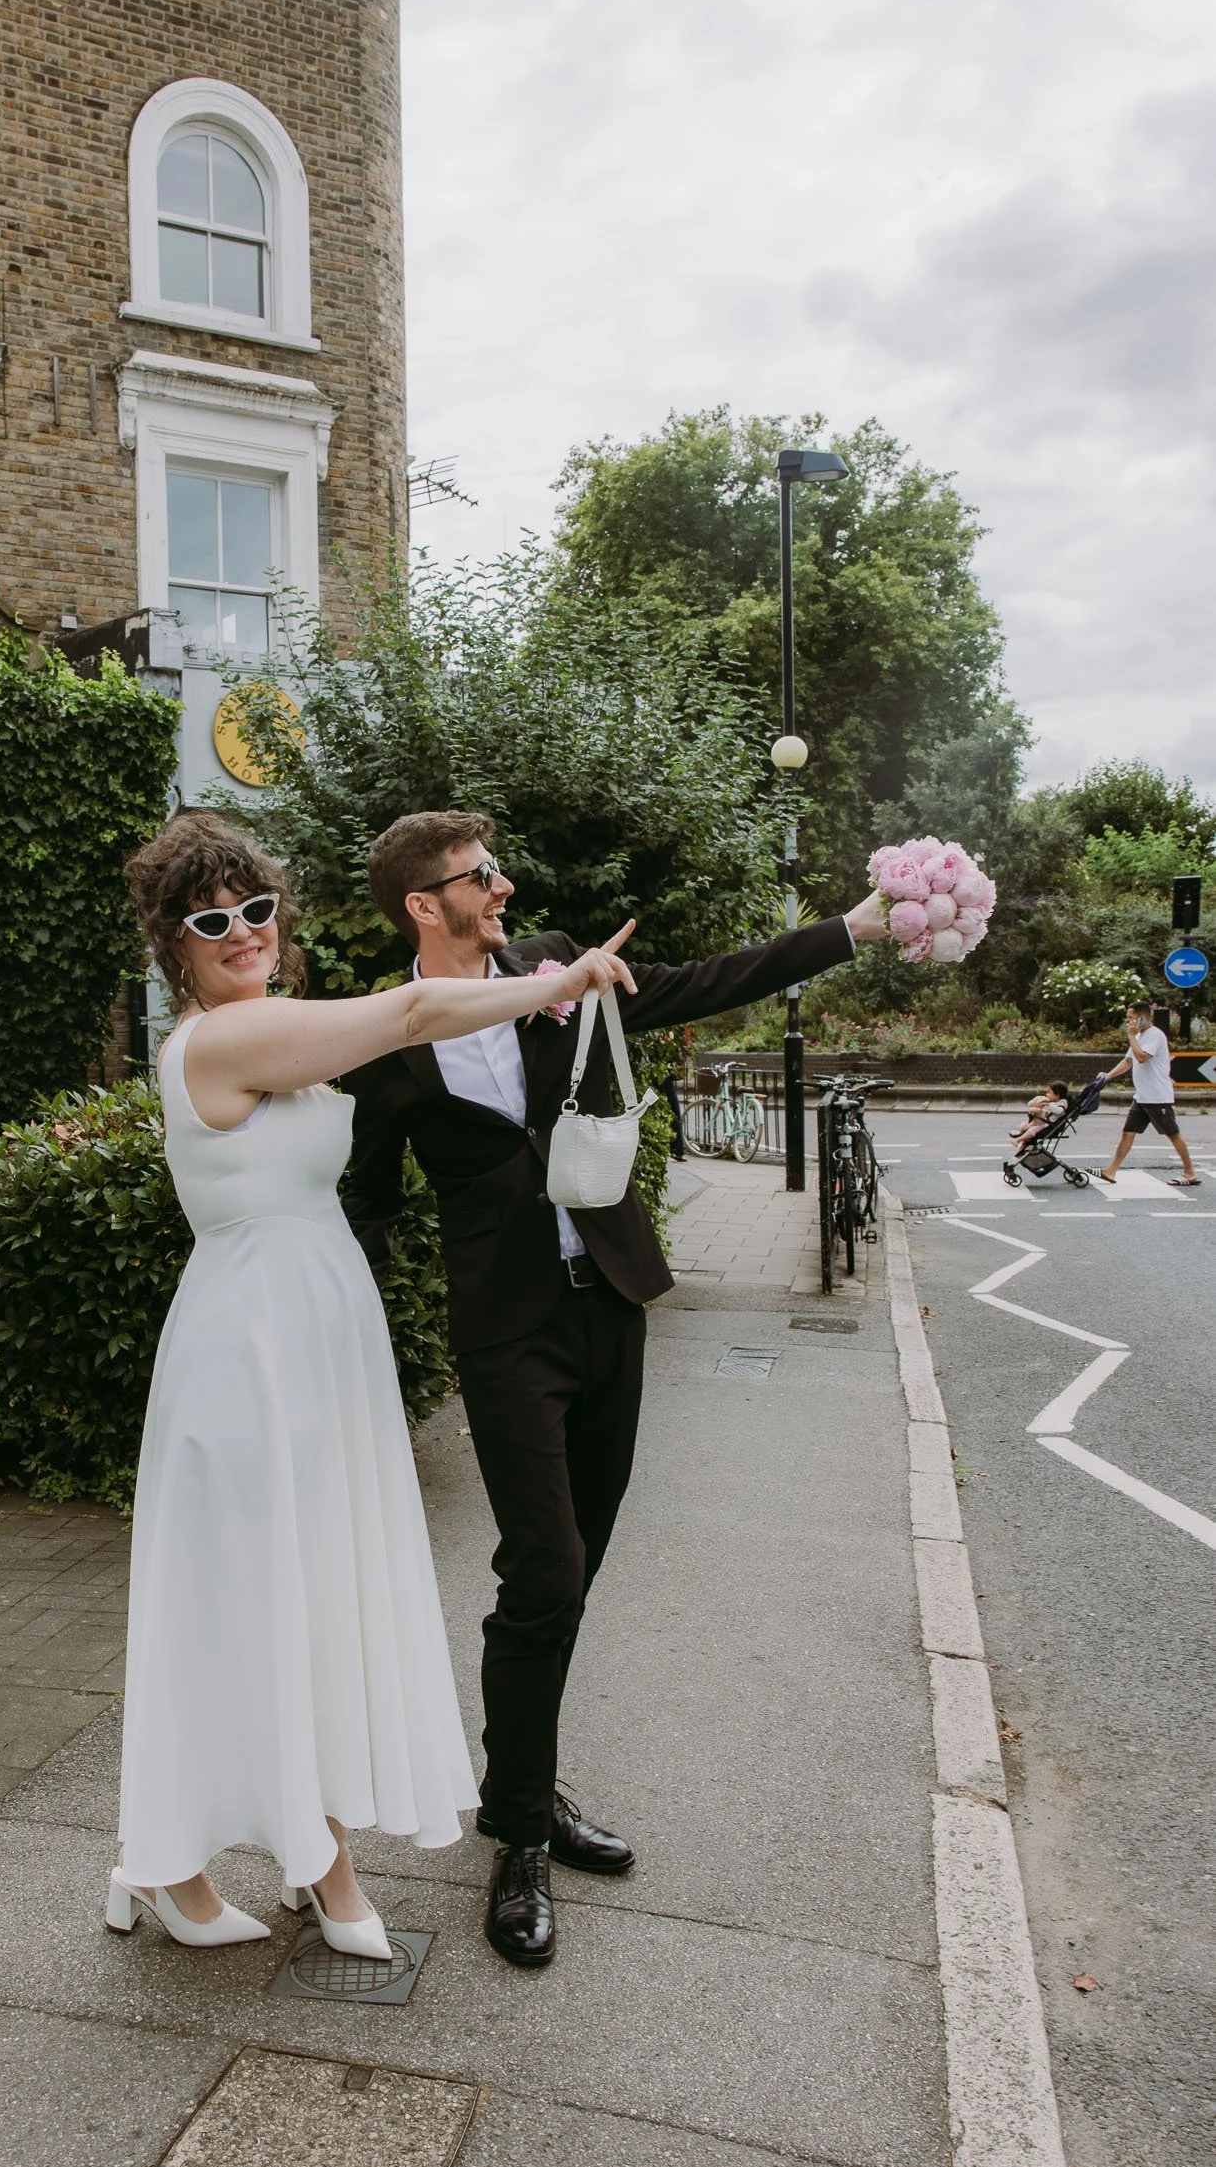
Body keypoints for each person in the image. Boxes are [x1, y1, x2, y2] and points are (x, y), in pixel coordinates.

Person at [342, 812, 895, 1967]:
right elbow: (366, 1200)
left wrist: (848, 928)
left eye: (496, 869)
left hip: (607, 1302)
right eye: (477, 876)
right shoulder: (384, 1039)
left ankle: (527, 1788)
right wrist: (339, 1344)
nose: (501, 887)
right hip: (502, 1335)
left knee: (573, 1565)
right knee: (538, 1566)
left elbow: (702, 982)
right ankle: (518, 1842)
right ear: (420, 905)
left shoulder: (556, 967)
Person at [107, 811, 637, 1957]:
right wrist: (563, 976)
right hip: (247, 1347)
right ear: (176, 943)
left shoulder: (274, 1026)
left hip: (316, 1334)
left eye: (256, 908)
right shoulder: (215, 1042)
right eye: (212, 919)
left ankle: (298, 1850)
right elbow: (407, 1012)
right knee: (253, 1607)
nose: (242, 931)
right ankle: (193, 1867)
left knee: (316, 1595)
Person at [1097, 1001, 1200, 1187]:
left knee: (1173, 1133)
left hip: (1157, 1096)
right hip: (1142, 1096)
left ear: (1143, 1017)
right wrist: (1108, 1076)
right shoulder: (1139, 1036)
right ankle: (1110, 1171)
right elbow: (1128, 1061)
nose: (1128, 1021)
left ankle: (1190, 1172)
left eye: (1131, 1018)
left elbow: (1142, 1058)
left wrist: (1131, 1036)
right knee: (1128, 1132)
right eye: (1128, 1018)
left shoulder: (1155, 1036)